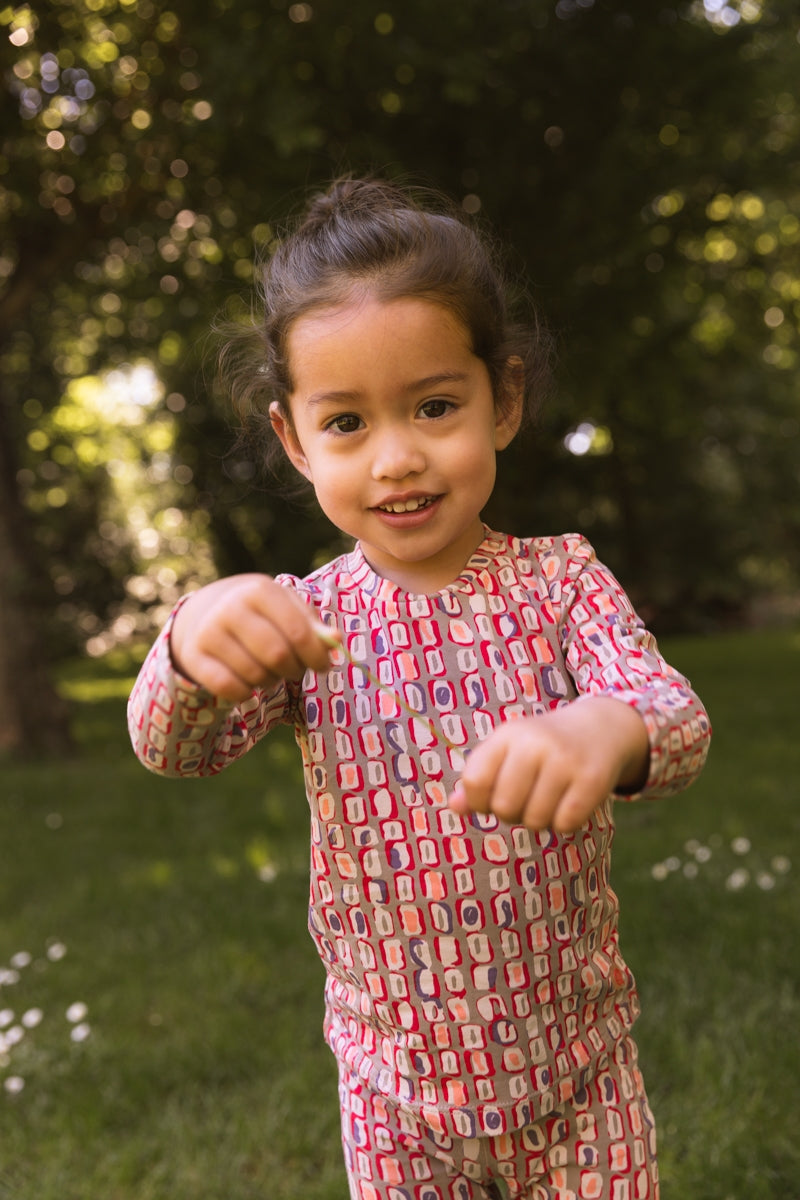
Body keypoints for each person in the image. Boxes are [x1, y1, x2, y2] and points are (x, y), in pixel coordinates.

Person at [128, 176, 711, 1200]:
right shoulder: (298, 618)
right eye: (346, 423)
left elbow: (675, 718)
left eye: (434, 406)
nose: (397, 458)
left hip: (573, 1074)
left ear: (505, 401)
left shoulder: (561, 580)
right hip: (391, 1088)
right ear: (294, 440)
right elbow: (177, 747)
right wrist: (185, 648)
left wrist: (600, 728)